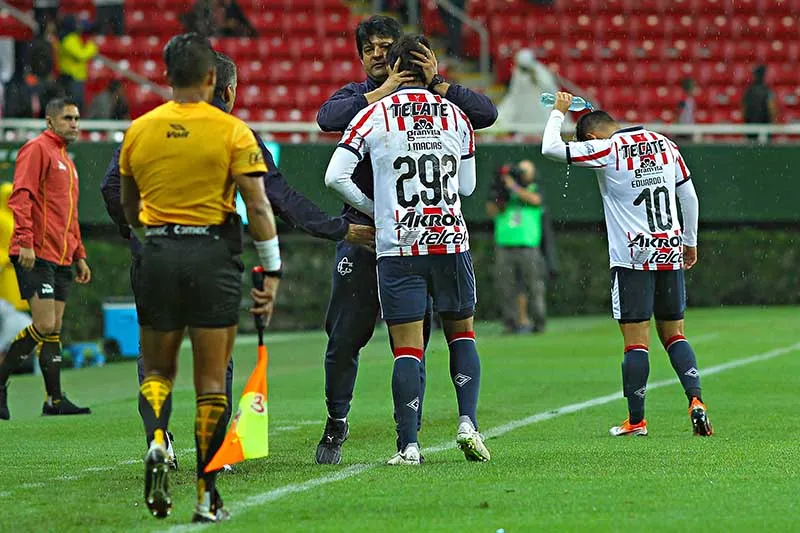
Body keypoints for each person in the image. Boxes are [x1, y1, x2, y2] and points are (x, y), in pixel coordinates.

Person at [100, 51, 374, 471]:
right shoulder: (234, 133)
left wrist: (137, 230)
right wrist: (336, 231)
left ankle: (159, 440)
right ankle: (211, 448)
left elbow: (110, 186)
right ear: (226, 90)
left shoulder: (147, 127)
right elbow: (276, 202)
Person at [314, 15, 497, 464]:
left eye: (386, 46)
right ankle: (337, 421)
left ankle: (409, 439)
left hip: (398, 237)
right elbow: (326, 118)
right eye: (370, 48)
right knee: (346, 335)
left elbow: (488, 112)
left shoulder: (439, 99)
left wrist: (439, 83)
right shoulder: (359, 98)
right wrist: (385, 92)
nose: (378, 54)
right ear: (361, 56)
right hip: (365, 234)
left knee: (411, 340)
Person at [118, 33, 280, 523]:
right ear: (212, 78)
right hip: (212, 254)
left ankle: (156, 442)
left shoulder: (139, 131)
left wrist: (153, 237)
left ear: (168, 76)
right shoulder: (231, 132)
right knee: (211, 380)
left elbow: (128, 207)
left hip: (160, 252)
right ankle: (207, 494)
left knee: (156, 370)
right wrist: (271, 270)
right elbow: (257, 206)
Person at [541, 92, 713, 438]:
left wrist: (559, 113)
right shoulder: (664, 144)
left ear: (590, 138)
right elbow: (689, 197)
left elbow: (550, 149)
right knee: (675, 334)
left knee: (636, 342)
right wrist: (689, 242)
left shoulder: (608, 148)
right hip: (668, 251)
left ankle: (636, 421)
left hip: (633, 257)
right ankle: (696, 401)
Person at [0, 97, 92, 421]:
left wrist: (79, 254)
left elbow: (71, 215)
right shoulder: (37, 149)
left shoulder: (68, 160)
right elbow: (20, 195)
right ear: (50, 121)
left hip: (62, 255)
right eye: (68, 118)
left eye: (77, 118)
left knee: (54, 329)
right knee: (44, 324)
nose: (75, 124)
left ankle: (54, 400)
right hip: (36, 253)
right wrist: (24, 241)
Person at [486, 160, 549, 334]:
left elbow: (536, 201)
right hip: (505, 246)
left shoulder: (534, 189)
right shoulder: (502, 191)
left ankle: (539, 322)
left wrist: (513, 187)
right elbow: (492, 211)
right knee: (506, 287)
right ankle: (511, 323)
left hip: (528, 246)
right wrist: (501, 192)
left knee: (534, 286)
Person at [57, 16, 98, 111]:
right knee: (74, 105)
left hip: (76, 77)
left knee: (77, 105)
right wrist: (92, 46)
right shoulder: (68, 39)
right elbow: (81, 55)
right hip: (72, 78)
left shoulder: (72, 38)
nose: (78, 26)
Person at [742, 64, 776, 141]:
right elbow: (772, 109)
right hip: (763, 126)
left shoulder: (749, 90)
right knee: (763, 150)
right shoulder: (766, 90)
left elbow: (743, 109)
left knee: (751, 149)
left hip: (751, 126)